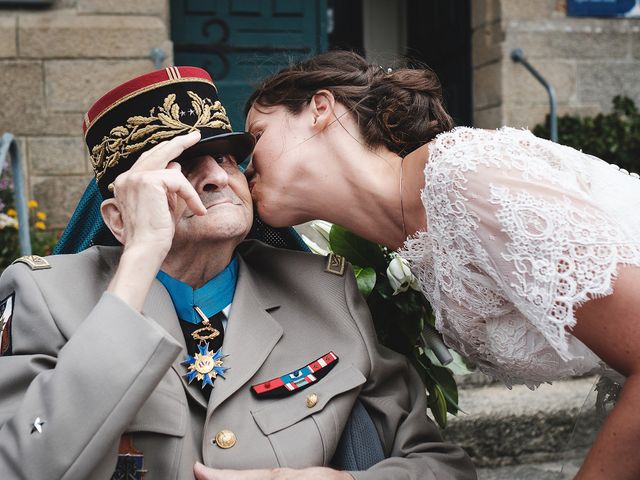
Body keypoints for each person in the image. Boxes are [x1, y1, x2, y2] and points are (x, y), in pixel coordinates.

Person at [0, 66, 476, 480]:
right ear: (118, 217)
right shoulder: (44, 295)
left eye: (226, 157)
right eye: (179, 167)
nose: (218, 176)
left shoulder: (324, 289)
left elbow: (440, 464)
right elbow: (26, 465)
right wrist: (143, 251)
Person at [243, 50, 640, 480]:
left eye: (256, 134)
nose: (245, 167)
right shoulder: (418, 245)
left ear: (320, 109)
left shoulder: (459, 181)